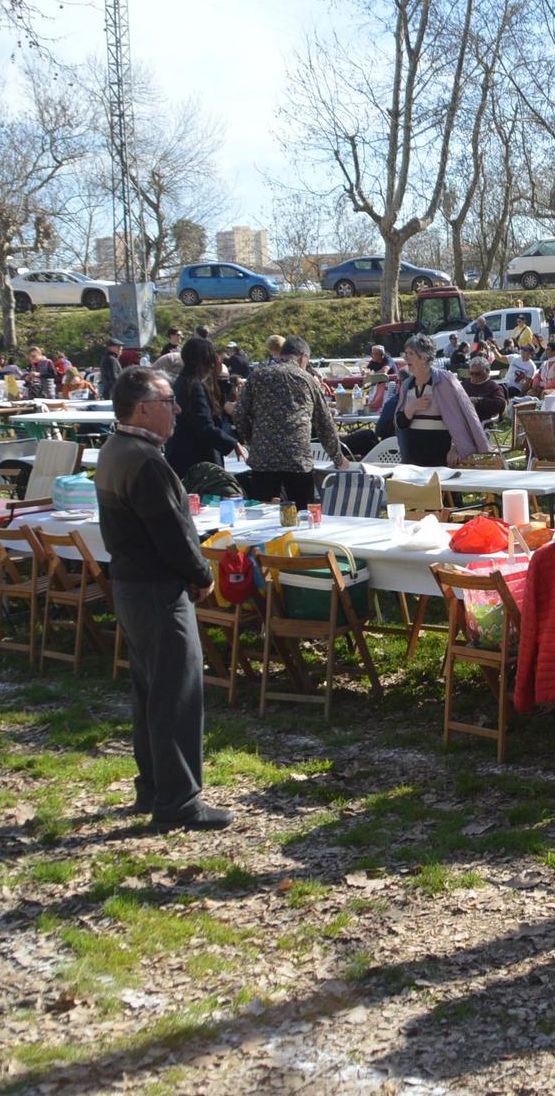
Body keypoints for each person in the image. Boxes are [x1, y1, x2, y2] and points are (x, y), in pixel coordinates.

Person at [96, 368, 228, 831]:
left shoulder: (117, 449)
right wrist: (201, 573)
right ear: (142, 408)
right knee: (175, 695)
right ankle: (178, 801)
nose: (176, 409)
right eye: (169, 401)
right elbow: (171, 534)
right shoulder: (144, 460)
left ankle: (155, 787)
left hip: (133, 586)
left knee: (151, 691)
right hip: (156, 588)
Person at [234, 335, 348, 506]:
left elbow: (239, 414)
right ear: (303, 357)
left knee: (262, 516)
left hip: (263, 458)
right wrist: (338, 458)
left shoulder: (257, 376)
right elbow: (324, 423)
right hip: (297, 457)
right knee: (301, 516)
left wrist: (252, 439)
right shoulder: (306, 379)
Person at [393, 332, 491, 467]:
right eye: (405, 353)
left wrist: (454, 448)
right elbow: (400, 424)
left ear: (424, 358)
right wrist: (412, 408)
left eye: (410, 354)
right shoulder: (407, 385)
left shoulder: (444, 381)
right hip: (414, 458)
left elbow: (462, 417)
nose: (406, 358)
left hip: (442, 457)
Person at [166, 337, 240, 479]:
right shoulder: (194, 386)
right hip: (194, 458)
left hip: (180, 453)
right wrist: (232, 443)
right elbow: (204, 425)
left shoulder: (182, 381)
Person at [460, 356, 507, 423]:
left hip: (479, 421)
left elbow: (501, 405)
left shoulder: (494, 387)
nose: (473, 376)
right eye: (471, 373)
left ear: (487, 372)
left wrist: (479, 400)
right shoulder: (465, 384)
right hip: (462, 418)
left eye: (478, 374)